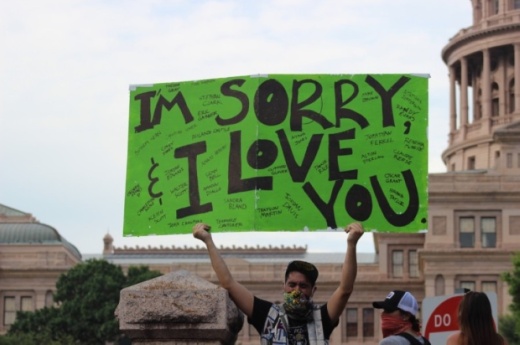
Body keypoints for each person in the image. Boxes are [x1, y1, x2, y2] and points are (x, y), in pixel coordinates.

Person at [192, 222, 364, 345]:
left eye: (303, 286)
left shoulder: (322, 317)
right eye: (292, 284)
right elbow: (228, 283)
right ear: (284, 286)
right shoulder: (267, 315)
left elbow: (345, 290)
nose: (296, 290)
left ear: (313, 290)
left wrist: (352, 244)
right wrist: (208, 241)